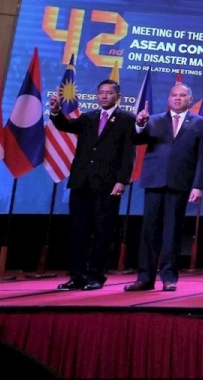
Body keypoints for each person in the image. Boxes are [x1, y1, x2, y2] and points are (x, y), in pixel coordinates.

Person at [48, 79, 135, 291]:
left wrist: (122, 181)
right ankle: (77, 276)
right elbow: (66, 126)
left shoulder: (126, 119)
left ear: (117, 97)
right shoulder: (88, 117)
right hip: (81, 182)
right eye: (101, 92)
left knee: (103, 232)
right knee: (78, 232)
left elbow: (128, 154)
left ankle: (96, 276)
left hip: (107, 185)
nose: (104, 96)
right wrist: (56, 111)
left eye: (109, 93)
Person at [126, 83, 203, 292]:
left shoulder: (200, 123)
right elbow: (136, 139)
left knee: (172, 233)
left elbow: (201, 157)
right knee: (149, 232)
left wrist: (198, 186)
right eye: (174, 95)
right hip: (154, 181)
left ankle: (169, 278)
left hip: (180, 183)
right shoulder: (152, 120)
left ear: (190, 99)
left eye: (182, 95)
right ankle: (145, 277)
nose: (178, 99)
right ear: (168, 98)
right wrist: (139, 125)